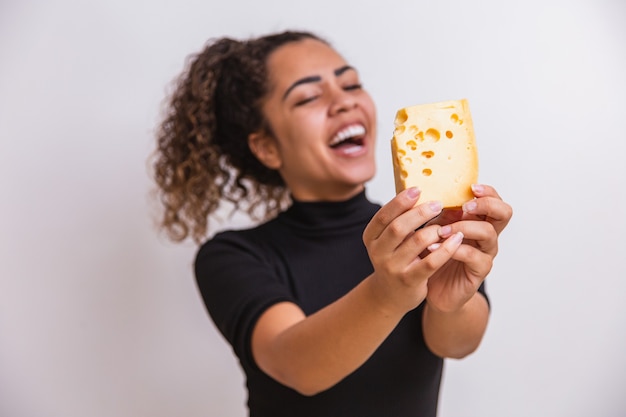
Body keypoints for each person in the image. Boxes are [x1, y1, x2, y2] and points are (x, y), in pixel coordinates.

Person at [152, 30, 512, 417]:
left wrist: (448, 303)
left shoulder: (426, 226)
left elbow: (455, 346)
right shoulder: (233, 256)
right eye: (308, 97)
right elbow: (298, 366)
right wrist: (388, 293)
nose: (344, 102)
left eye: (351, 84)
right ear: (267, 147)